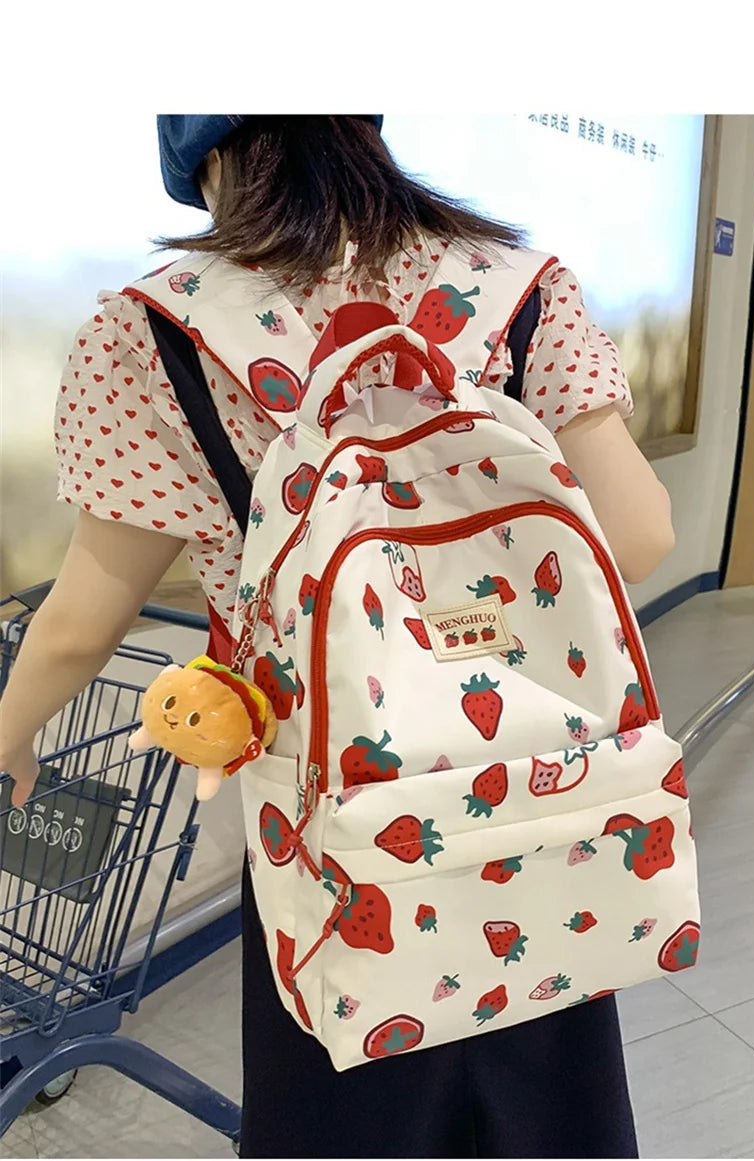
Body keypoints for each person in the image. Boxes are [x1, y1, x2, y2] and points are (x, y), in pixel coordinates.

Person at [0, 115, 675, 1158]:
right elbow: (637, 538)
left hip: (330, 803)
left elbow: (80, 626)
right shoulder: (519, 283)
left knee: (345, 1092)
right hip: (536, 775)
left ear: (199, 160)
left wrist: (8, 735)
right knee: (550, 1080)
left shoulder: (154, 327)